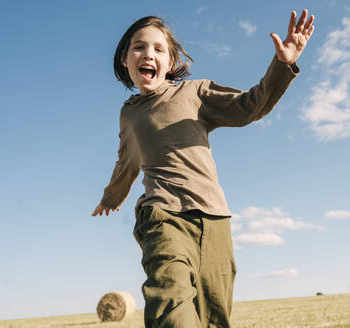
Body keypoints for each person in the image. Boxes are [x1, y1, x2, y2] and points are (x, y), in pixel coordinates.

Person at [92, 9, 314, 328]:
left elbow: (250, 106)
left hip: (214, 219)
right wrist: (111, 198)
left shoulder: (194, 92)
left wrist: (282, 66)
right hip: (163, 216)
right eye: (138, 47)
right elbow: (127, 159)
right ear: (125, 59)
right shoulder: (129, 114)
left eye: (158, 49)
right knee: (171, 304)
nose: (148, 54)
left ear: (170, 62)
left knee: (214, 316)